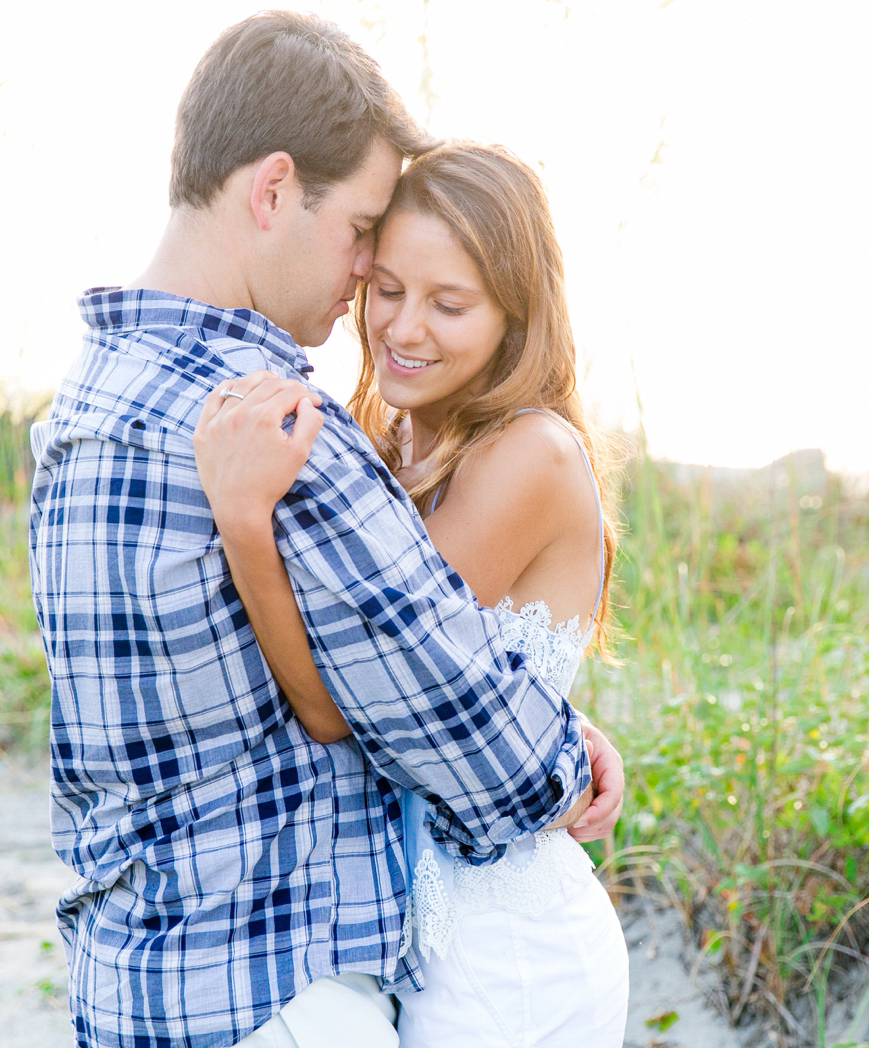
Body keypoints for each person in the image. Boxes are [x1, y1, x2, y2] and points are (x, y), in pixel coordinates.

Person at [27, 12, 624, 1048]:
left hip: (147, 984)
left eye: (445, 300)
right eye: (367, 246)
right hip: (280, 992)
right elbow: (480, 747)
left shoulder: (83, 407)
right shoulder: (288, 432)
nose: (372, 297)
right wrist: (562, 748)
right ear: (271, 191)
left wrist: (549, 716)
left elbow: (388, 693)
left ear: (510, 317)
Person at [195, 142, 630, 1046]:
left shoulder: (529, 455)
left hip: (510, 953)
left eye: (450, 304)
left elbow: (337, 701)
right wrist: (572, 731)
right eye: (387, 288)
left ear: (517, 315)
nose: (403, 327)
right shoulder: (387, 445)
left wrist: (245, 522)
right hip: (416, 949)